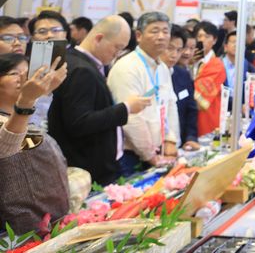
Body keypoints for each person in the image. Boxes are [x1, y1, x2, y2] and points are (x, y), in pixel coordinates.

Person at [48, 15, 151, 185]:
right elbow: (79, 122)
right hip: (88, 168)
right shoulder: (81, 70)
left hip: (93, 164)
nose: (117, 54)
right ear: (99, 39)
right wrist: (126, 108)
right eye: (117, 47)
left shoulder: (81, 62)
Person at [0, 53, 68, 232]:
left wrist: (42, 92)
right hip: (20, 230)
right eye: (15, 73)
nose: (25, 79)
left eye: (27, 72)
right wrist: (26, 99)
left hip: (53, 217)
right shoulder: (16, 115)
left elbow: (32, 118)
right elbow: (6, 145)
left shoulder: (24, 115)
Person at [107, 12, 180, 175]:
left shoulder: (162, 67)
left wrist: (171, 140)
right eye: (155, 31)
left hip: (160, 151)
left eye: (165, 31)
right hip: (132, 155)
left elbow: (170, 105)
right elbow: (130, 117)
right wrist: (150, 156)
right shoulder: (127, 67)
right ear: (139, 36)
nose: (161, 36)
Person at [26, 10, 68, 126]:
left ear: (65, 33)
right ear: (33, 38)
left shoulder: (76, 65)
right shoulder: (25, 67)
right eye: (42, 31)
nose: (49, 35)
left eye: (55, 30)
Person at [166, 26, 199, 151]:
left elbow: (191, 110)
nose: (174, 55)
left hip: (180, 145)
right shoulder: (150, 74)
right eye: (170, 48)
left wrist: (191, 137)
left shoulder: (183, 75)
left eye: (179, 50)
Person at [193, 21, 225, 137]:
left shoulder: (216, 65)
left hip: (207, 117)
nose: (202, 40)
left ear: (214, 40)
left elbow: (200, 99)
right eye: (199, 36)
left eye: (207, 37)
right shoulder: (188, 61)